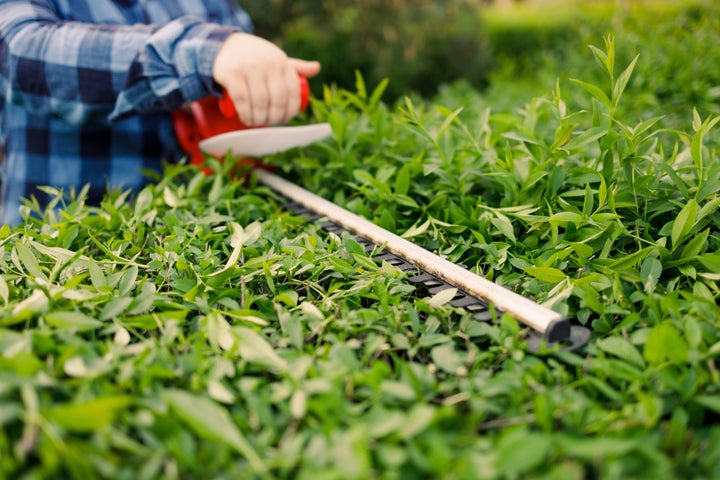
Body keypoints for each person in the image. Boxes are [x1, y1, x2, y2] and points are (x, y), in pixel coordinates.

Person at [0, 0, 321, 225]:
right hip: (63, 262)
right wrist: (201, 53)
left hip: (193, 259)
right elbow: (22, 54)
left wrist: (260, 86)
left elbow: (237, 64)